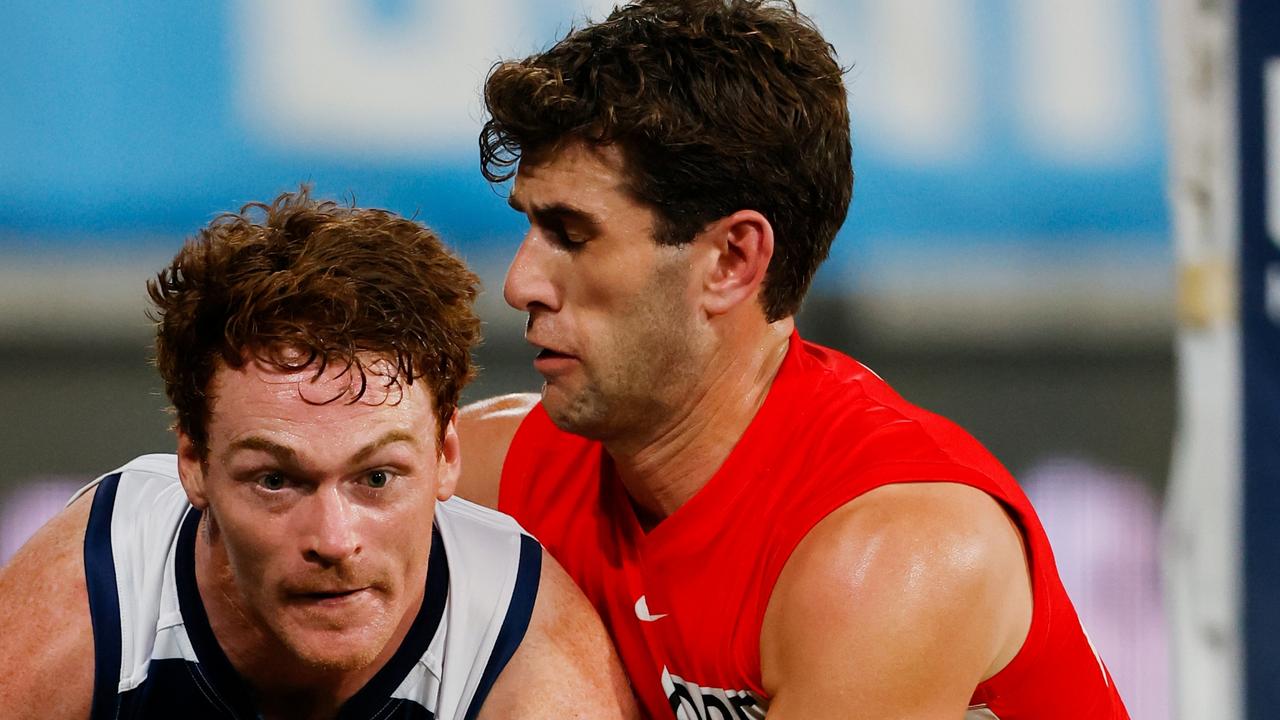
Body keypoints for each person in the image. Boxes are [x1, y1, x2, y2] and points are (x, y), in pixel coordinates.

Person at [458, 1, 1132, 719]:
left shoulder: (897, 552)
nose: (519, 283)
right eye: (530, 226)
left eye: (571, 234)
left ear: (731, 260)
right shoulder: (493, 471)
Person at [0, 190, 638, 720]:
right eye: (275, 480)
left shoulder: (533, 672)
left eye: (378, 477)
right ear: (193, 464)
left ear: (446, 455)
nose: (334, 540)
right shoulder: (82, 607)